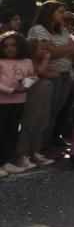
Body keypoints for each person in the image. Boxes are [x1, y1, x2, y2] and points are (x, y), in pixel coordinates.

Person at [27, 1, 74, 153]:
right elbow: (52, 52)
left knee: (57, 110)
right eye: (61, 12)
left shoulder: (61, 30)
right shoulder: (39, 29)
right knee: (46, 112)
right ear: (50, 13)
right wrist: (66, 50)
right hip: (49, 75)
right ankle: (40, 147)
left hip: (64, 74)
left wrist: (64, 50)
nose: (64, 15)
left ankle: (48, 143)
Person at [15, 39, 57, 168]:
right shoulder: (28, 62)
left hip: (45, 94)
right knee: (30, 123)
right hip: (34, 94)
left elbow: (55, 73)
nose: (46, 52)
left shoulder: (40, 62)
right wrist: (44, 65)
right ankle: (23, 154)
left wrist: (43, 71)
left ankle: (35, 151)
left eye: (46, 49)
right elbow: (37, 73)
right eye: (42, 49)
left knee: (42, 123)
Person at [0, 32, 35, 176]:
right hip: (2, 101)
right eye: (6, 46)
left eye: (13, 45)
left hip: (19, 100)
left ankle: (6, 161)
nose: (9, 49)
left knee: (11, 132)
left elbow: (31, 76)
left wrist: (25, 87)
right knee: (1, 132)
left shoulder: (27, 62)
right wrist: (11, 90)